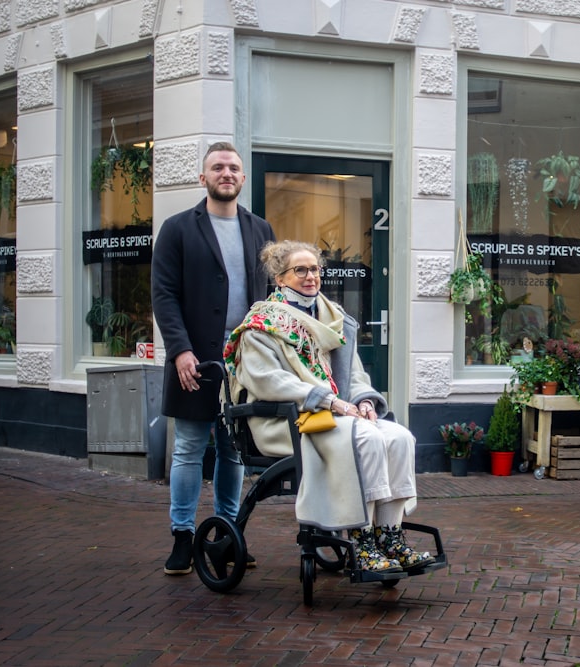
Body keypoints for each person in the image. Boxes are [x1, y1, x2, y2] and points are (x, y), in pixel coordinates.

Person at [222, 240, 434, 573]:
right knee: (367, 440)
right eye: (300, 270)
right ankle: (362, 542)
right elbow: (266, 380)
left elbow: (354, 375)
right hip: (287, 421)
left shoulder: (334, 318)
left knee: (399, 437)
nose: (311, 276)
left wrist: (364, 401)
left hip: (337, 415)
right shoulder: (260, 325)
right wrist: (328, 400)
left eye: (315, 269)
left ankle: (390, 537)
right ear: (280, 278)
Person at [152, 141, 276, 575]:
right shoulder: (177, 228)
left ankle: (228, 533)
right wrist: (180, 350)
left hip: (246, 362)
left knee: (234, 450)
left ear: (243, 179)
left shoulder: (261, 229)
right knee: (188, 447)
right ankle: (183, 537)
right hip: (196, 359)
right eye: (217, 167)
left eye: (234, 168)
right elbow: (164, 295)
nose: (226, 173)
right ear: (202, 177)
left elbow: (273, 298)